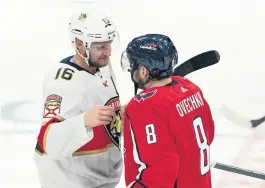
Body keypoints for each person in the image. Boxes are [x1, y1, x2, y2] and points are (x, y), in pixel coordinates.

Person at [33, 9, 123, 188]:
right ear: (79, 44)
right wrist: (84, 121)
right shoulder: (62, 83)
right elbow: (48, 141)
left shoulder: (101, 65)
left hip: (99, 179)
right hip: (72, 183)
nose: (108, 52)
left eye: (109, 44)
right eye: (100, 47)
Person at [120, 34, 215, 188]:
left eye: (133, 64)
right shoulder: (190, 88)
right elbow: (208, 132)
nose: (131, 69)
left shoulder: (144, 106)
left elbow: (159, 172)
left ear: (143, 71)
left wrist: (139, 111)